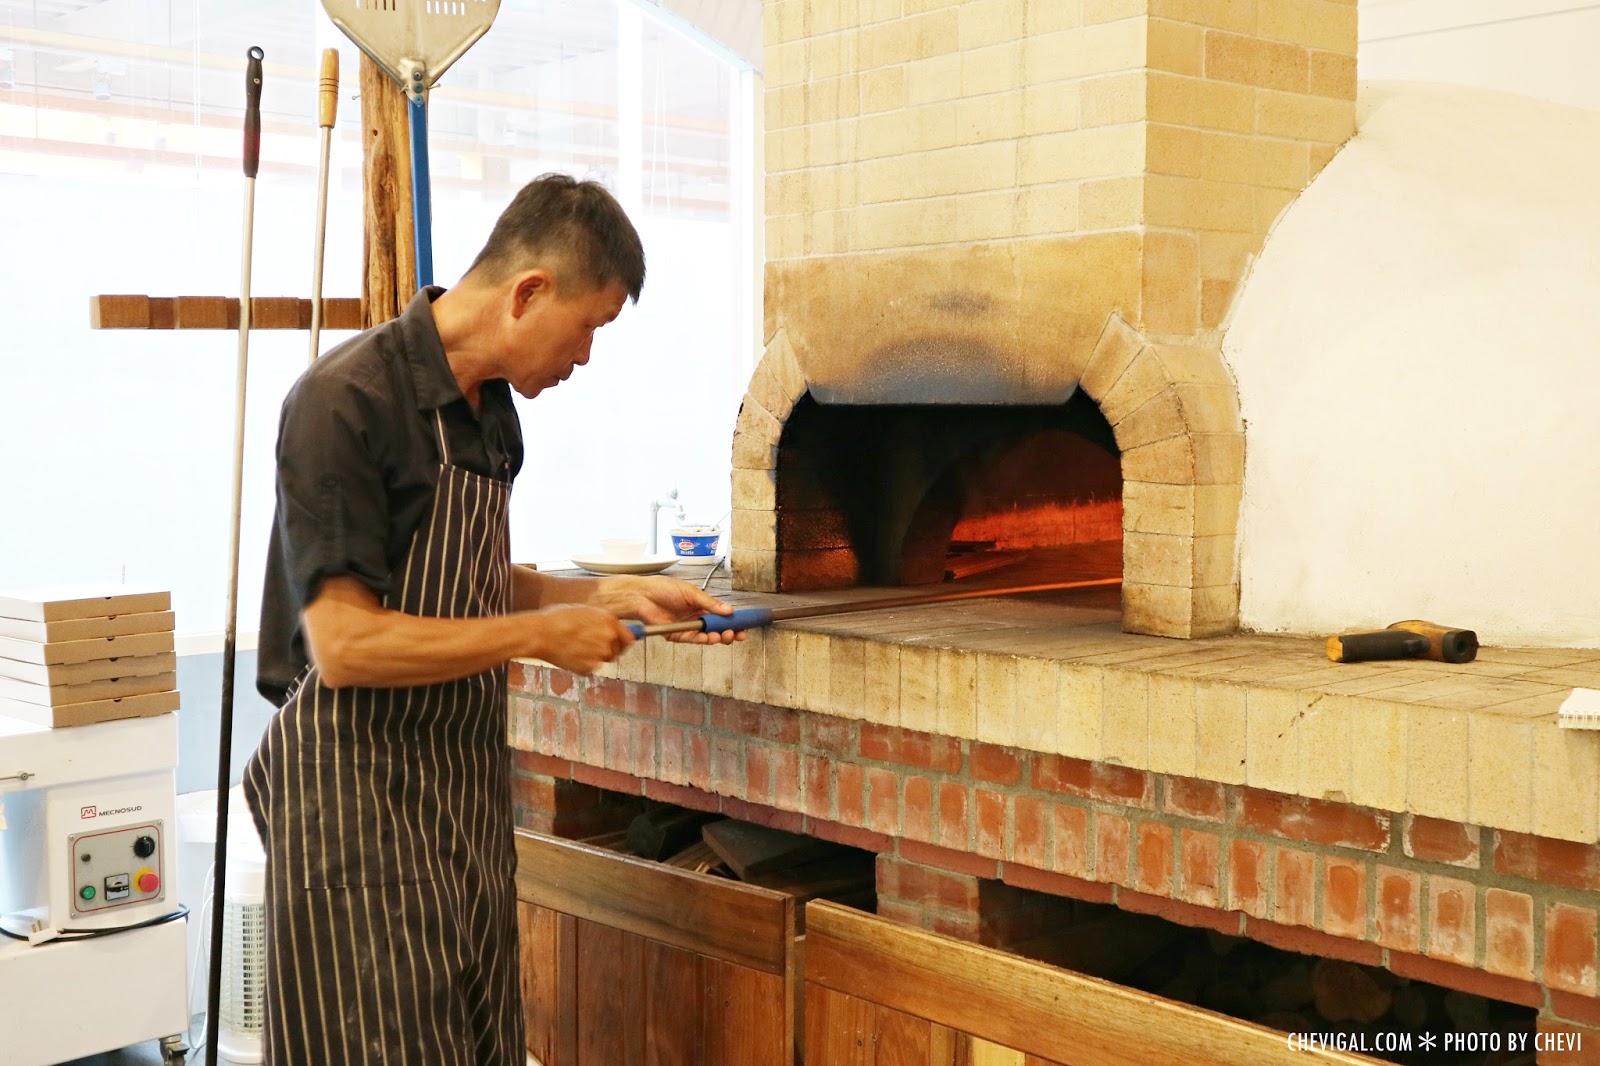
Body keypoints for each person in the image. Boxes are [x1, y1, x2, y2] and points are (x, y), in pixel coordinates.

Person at [242, 173, 740, 1065]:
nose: (587, 356)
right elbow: (347, 643)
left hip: (459, 802)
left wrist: (605, 597)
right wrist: (543, 639)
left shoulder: (495, 415)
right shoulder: (344, 403)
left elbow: (472, 580)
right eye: (590, 326)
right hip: (355, 809)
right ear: (529, 292)